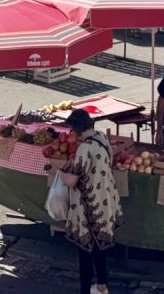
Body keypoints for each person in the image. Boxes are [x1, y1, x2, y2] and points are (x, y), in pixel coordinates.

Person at [56, 108, 121, 294]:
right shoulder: (102, 138)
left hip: (88, 207)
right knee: (100, 248)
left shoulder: (84, 148)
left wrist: (58, 173)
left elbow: (72, 180)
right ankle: (102, 287)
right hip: (105, 201)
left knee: (85, 252)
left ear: (76, 129)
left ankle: (85, 291)